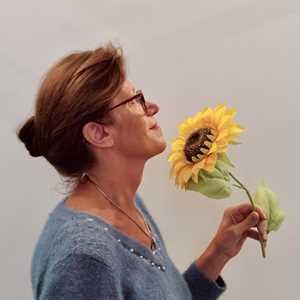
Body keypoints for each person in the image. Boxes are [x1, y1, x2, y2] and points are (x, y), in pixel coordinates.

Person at [17, 42, 268, 300]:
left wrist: (218, 252)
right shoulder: (83, 258)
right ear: (99, 133)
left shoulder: (127, 204)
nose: (152, 107)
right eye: (135, 100)